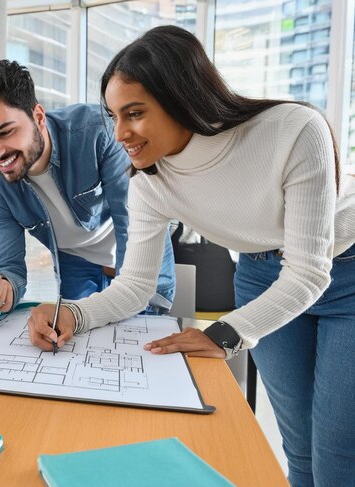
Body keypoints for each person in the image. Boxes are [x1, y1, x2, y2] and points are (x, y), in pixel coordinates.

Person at [28, 26, 355, 487]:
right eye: (113, 115)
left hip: (344, 272)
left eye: (135, 113)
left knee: (339, 453)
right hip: (261, 273)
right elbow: (136, 285)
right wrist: (72, 314)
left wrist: (226, 331)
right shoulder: (150, 182)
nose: (120, 132)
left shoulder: (295, 130)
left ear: (182, 97)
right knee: (299, 446)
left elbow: (308, 270)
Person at [0, 59, 175, 313]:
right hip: (75, 261)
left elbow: (133, 224)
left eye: (5, 133)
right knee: (79, 344)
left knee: (142, 339)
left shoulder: (98, 133)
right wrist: (2, 287)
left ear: (38, 117)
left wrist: (126, 298)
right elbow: (9, 267)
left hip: (138, 252)